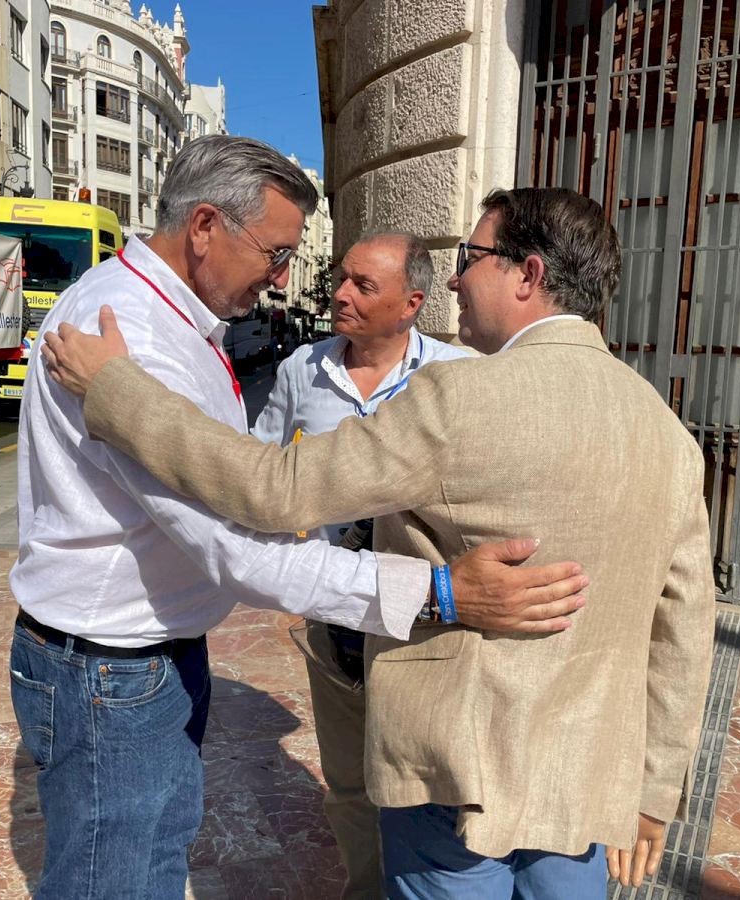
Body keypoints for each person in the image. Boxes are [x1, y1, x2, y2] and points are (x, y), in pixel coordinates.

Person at [41, 186, 717, 899]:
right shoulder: (667, 434)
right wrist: (653, 791)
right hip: (582, 779)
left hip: (456, 776)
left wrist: (117, 391)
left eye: (472, 257)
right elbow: (684, 631)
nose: (455, 279)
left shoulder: (461, 399)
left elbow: (268, 485)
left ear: (529, 274)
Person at [251, 230, 468, 898]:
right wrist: (290, 566)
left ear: (412, 304)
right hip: (338, 614)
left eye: (363, 285)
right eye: (342, 278)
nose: (340, 294)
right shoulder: (302, 370)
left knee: (428, 781)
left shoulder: (456, 376)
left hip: (427, 619)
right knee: (349, 783)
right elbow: (262, 471)